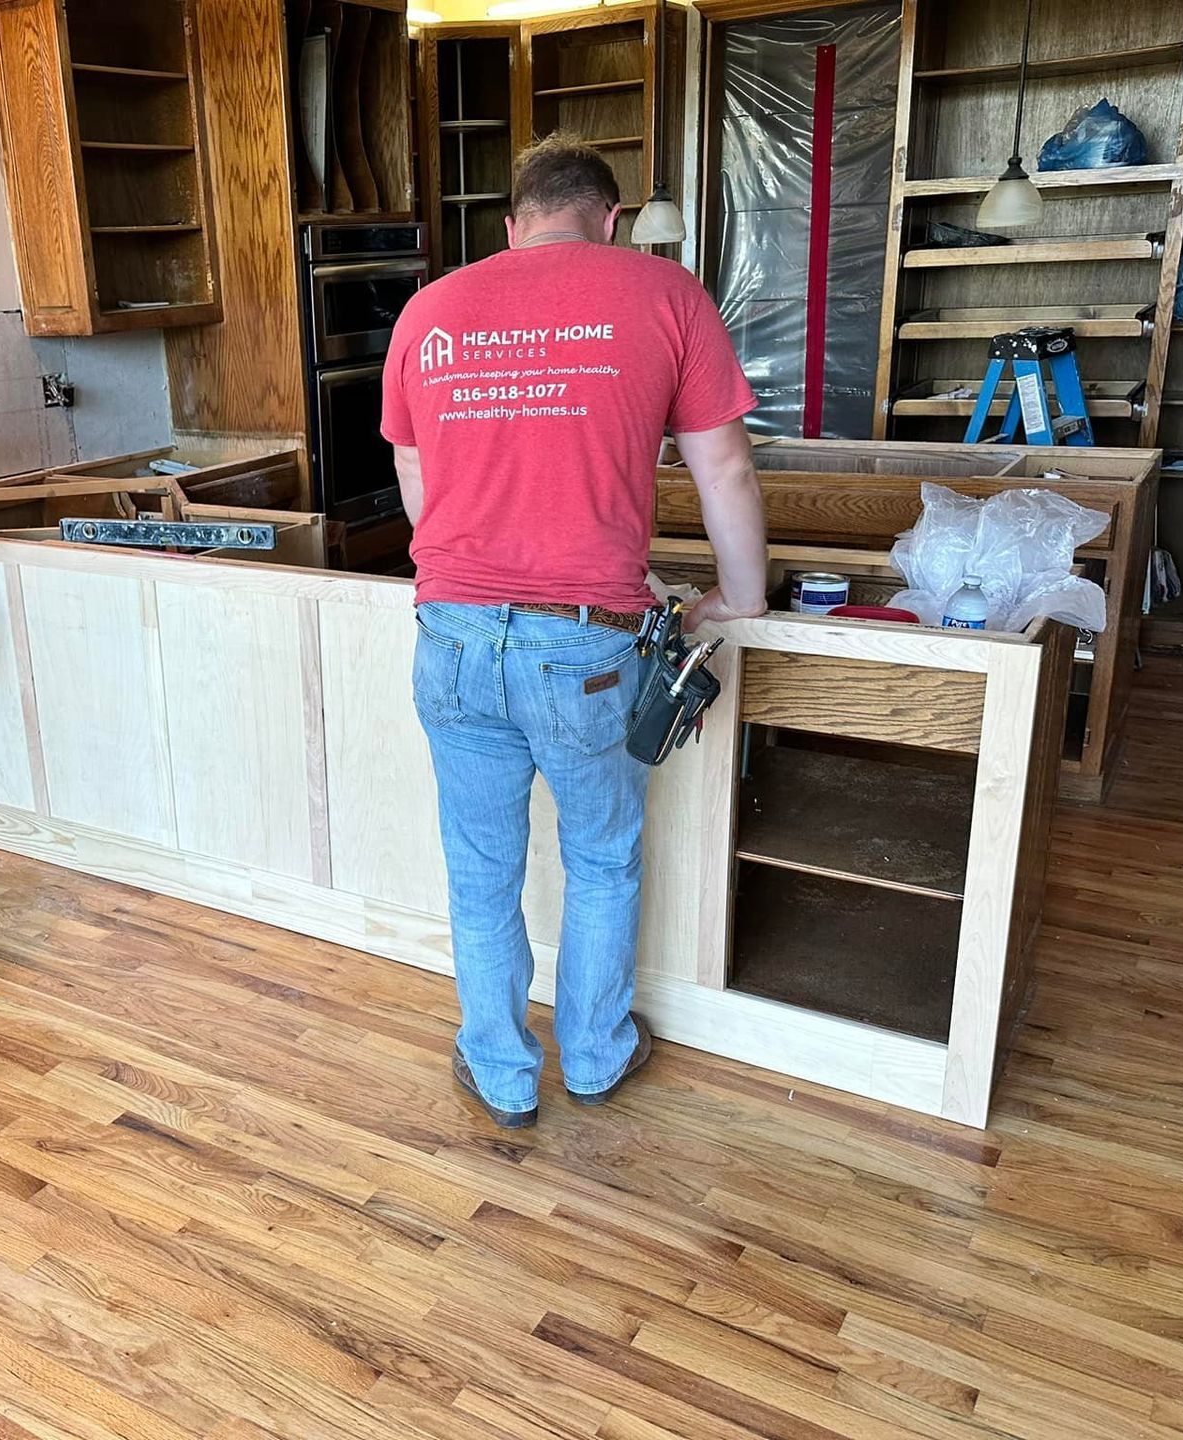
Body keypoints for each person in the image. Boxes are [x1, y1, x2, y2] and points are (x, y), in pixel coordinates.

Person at [380, 137, 768, 1128]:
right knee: (601, 861)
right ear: (610, 219)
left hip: (452, 634)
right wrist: (740, 597)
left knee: (480, 874)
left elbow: (419, 491)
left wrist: (479, 574)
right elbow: (723, 469)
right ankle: (593, 1057)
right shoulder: (661, 292)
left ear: (513, 226)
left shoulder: (431, 310)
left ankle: (503, 1071)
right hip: (586, 643)